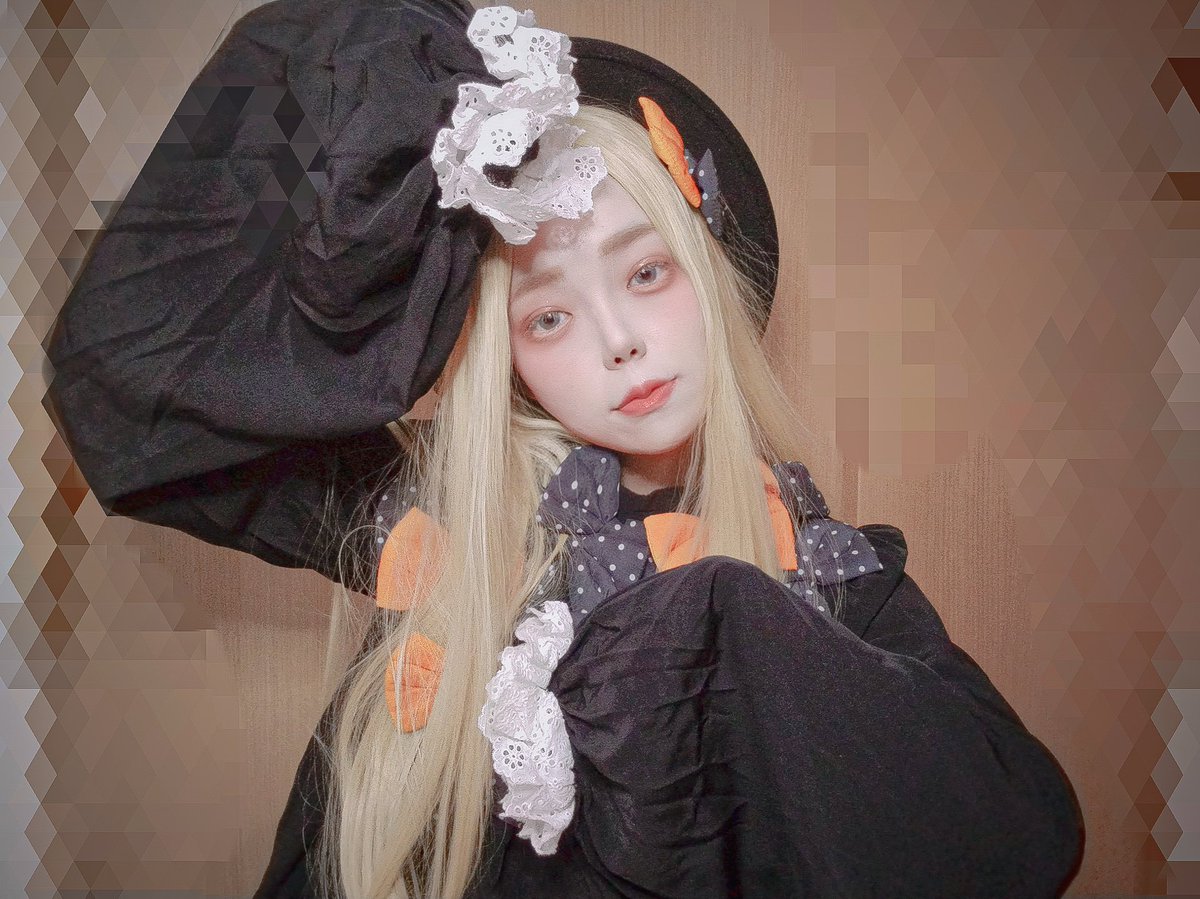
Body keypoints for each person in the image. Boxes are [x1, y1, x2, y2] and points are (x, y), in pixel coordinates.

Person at [45, 1, 1086, 897]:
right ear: (508, 361)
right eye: (548, 318)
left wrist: (715, 634)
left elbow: (1012, 831)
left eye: (646, 274)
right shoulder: (453, 520)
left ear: (708, 275)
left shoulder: (827, 573)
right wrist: (365, 113)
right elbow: (125, 393)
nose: (618, 340)